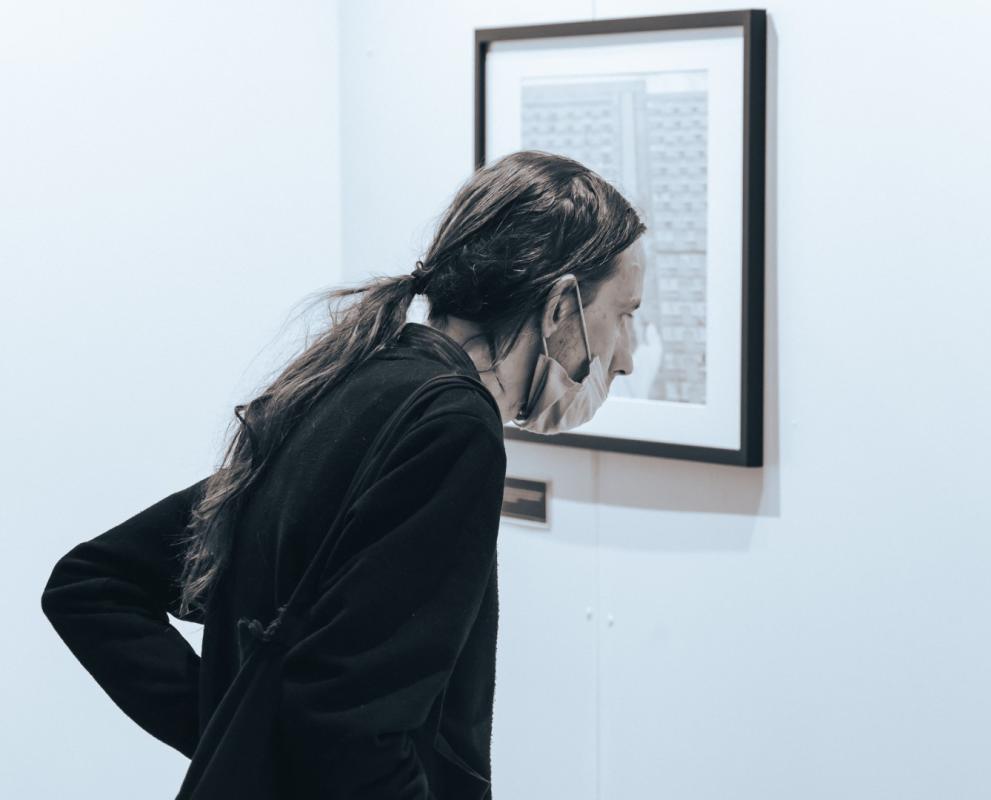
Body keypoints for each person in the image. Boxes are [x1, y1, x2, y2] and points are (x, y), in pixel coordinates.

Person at [40, 149, 646, 799]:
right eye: (625, 314)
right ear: (559, 308)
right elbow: (352, 727)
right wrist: (248, 740)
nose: (628, 357)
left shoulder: (357, 379)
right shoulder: (455, 427)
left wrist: (238, 738)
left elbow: (93, 583)